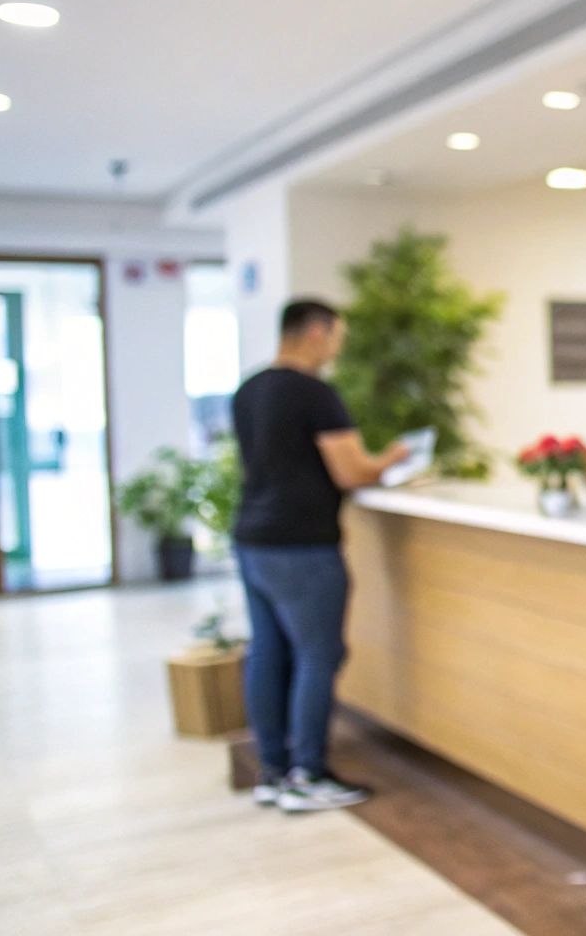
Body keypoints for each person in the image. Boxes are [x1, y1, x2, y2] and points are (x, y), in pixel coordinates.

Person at [231, 299, 409, 813]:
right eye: (337, 337)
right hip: (302, 544)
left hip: (253, 538)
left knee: (268, 652)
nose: (337, 348)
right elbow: (351, 472)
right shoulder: (314, 394)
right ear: (315, 332)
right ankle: (308, 773)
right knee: (317, 654)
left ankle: (273, 771)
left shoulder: (250, 389)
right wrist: (394, 458)